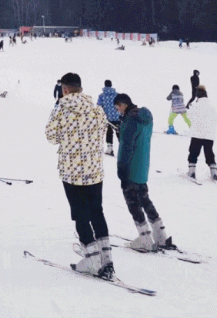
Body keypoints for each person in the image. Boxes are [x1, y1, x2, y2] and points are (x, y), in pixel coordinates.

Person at [45, 72, 112, 278]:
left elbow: (51, 137)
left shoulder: (62, 109)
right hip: (94, 170)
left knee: (80, 215)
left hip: (72, 172)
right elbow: (102, 132)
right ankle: (106, 258)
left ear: (65, 89)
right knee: (96, 212)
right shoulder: (96, 109)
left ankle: (92, 260)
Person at [114, 93, 173, 253]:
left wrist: (121, 169)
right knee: (145, 200)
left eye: (118, 107)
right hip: (142, 167)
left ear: (123, 104)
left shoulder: (130, 120)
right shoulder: (144, 118)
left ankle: (145, 238)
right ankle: (161, 235)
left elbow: (126, 147)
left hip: (131, 168)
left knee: (133, 203)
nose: (117, 110)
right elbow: (136, 139)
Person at [186, 86, 217, 181]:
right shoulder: (212, 107)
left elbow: (189, 116)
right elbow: (215, 119)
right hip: (209, 134)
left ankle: (191, 172)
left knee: (194, 152)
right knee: (209, 152)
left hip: (197, 134)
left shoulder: (195, 106)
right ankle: (214, 172)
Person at [97, 80, 120, 156]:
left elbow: (99, 107)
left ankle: (110, 149)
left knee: (109, 132)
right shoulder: (117, 95)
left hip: (108, 118)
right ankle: (124, 148)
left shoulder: (101, 96)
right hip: (118, 117)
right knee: (119, 132)